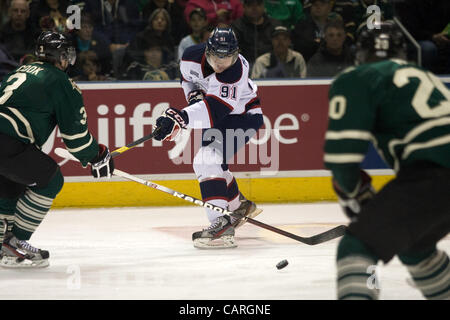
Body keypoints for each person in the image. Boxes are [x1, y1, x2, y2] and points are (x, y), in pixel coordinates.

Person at [324, 21, 450, 300]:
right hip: (438, 174)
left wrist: (354, 192)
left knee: (356, 247)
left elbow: (342, 159)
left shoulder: (358, 77)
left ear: (360, 53)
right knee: (415, 247)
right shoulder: (422, 74)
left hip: (435, 173)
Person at [0, 31, 114, 268]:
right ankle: (15, 243)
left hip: (7, 143)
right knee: (50, 179)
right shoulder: (60, 81)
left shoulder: (20, 71)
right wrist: (97, 155)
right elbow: (76, 138)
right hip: (8, 142)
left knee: (12, 184)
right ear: (60, 56)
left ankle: (3, 243)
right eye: (66, 55)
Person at [153, 28, 264, 249]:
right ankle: (238, 205)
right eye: (216, 57)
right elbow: (187, 79)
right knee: (212, 162)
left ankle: (220, 224)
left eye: (228, 57)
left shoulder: (237, 70)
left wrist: (181, 117)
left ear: (236, 54)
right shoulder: (189, 57)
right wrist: (193, 95)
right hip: (218, 117)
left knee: (205, 159)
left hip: (242, 116)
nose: (222, 63)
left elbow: (215, 110)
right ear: (207, 51)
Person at [231, 0, 280, 67]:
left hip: (272, 66)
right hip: (246, 66)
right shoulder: (237, 26)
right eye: (250, 5)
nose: (254, 8)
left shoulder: (274, 24)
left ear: (263, 6)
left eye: (258, 4)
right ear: (244, 7)